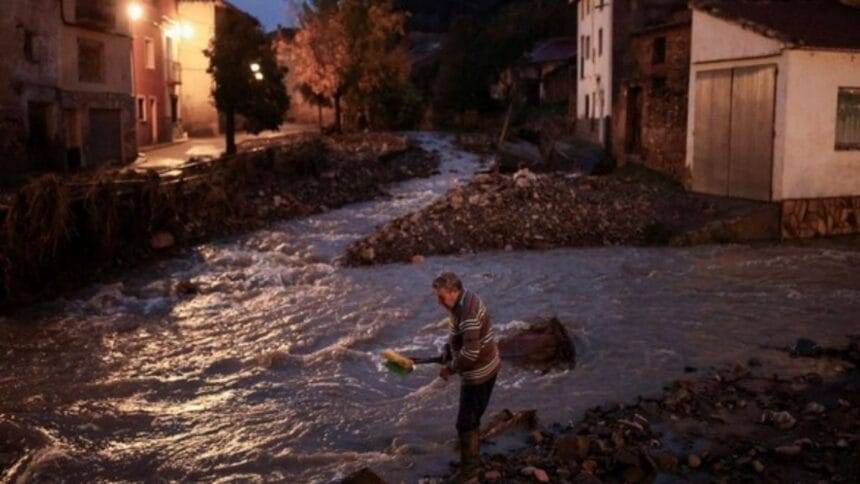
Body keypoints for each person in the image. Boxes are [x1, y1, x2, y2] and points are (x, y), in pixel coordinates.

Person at [433, 272, 500, 482]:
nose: (439, 301)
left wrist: (450, 368)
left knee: (465, 423)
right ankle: (472, 463)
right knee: (471, 419)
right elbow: (458, 335)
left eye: (442, 296)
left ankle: (470, 474)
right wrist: (448, 349)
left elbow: (471, 354)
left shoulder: (468, 312)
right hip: (480, 368)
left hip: (480, 373)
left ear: (454, 292)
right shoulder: (461, 302)